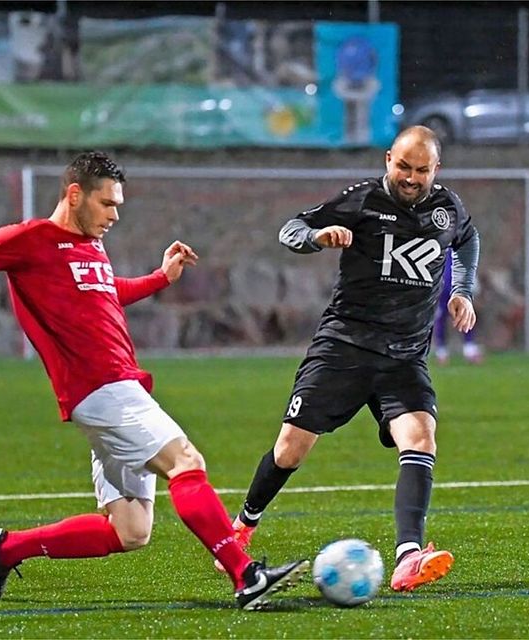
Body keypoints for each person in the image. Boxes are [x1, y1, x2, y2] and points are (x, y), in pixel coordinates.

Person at [0, 151, 308, 611]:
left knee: (131, 530)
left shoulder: (90, 246)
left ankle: (7, 548)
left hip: (117, 391)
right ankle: (245, 575)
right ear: (75, 195)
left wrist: (160, 278)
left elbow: (106, 292)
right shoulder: (27, 239)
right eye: (108, 203)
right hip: (101, 388)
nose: (115, 215)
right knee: (186, 461)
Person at [216, 126, 479, 592]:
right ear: (387, 160)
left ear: (435, 170)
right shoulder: (361, 200)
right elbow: (290, 229)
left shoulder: (447, 208)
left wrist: (461, 291)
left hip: (404, 356)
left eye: (421, 170)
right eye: (403, 166)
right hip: (345, 346)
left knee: (420, 438)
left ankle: (409, 556)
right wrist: (318, 236)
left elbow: (467, 239)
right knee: (290, 449)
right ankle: (241, 528)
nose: (411, 178)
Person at [433, 247, 483, 365]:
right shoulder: (439, 245)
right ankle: (441, 352)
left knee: (465, 315)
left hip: (458, 288)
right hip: (443, 290)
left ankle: (469, 349)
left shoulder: (461, 245)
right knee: (441, 319)